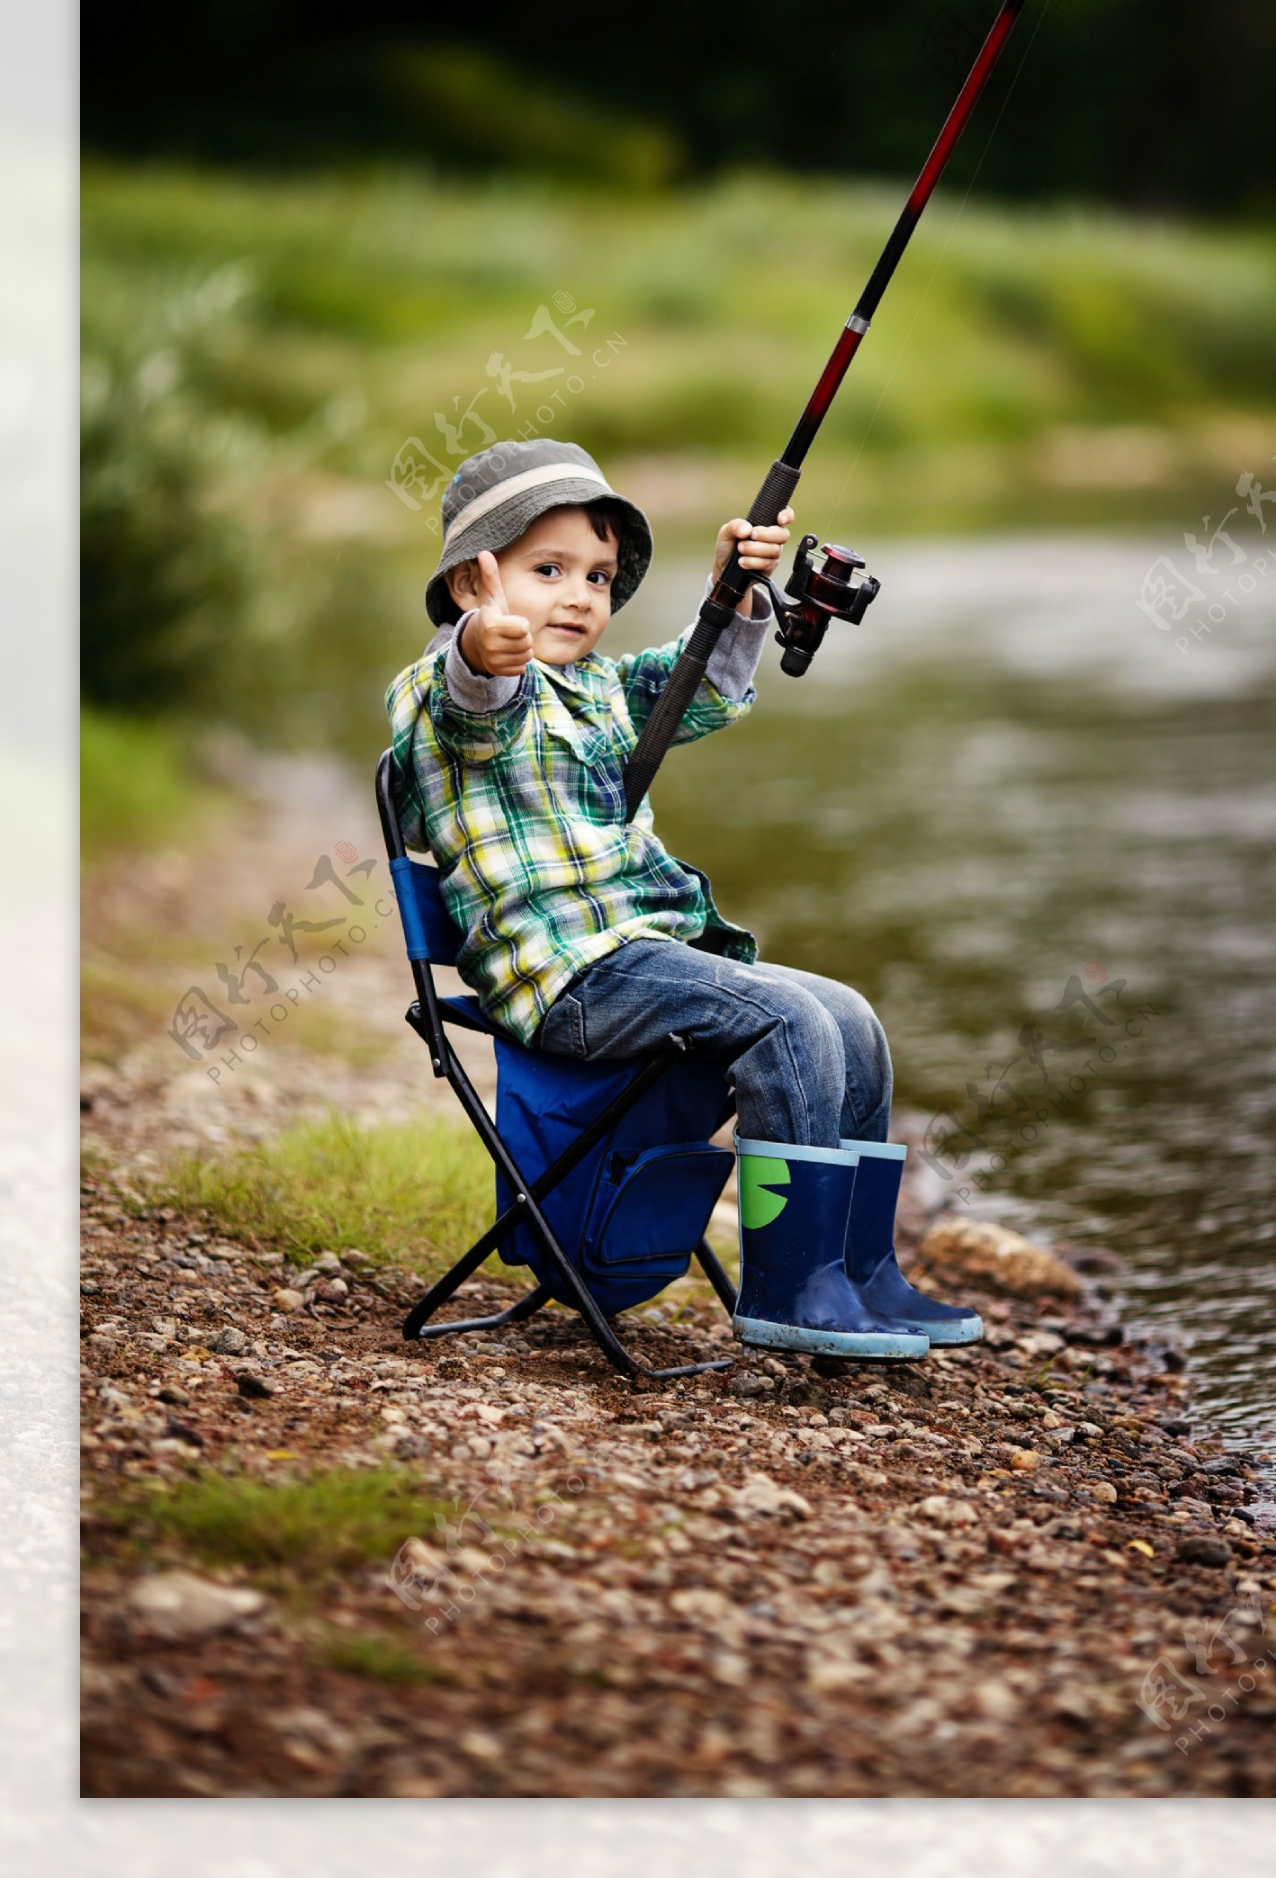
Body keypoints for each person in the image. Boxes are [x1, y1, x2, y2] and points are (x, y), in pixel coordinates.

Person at [386, 437, 980, 1357]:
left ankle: (858, 1272)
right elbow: (471, 693)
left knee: (848, 1016)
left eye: (598, 575)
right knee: (785, 1021)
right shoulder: (450, 689)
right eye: (547, 570)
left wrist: (734, 593)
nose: (580, 594)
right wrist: (478, 649)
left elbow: (701, 684)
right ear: (473, 584)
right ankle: (790, 1287)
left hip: (640, 959)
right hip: (567, 979)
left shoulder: (598, 689)